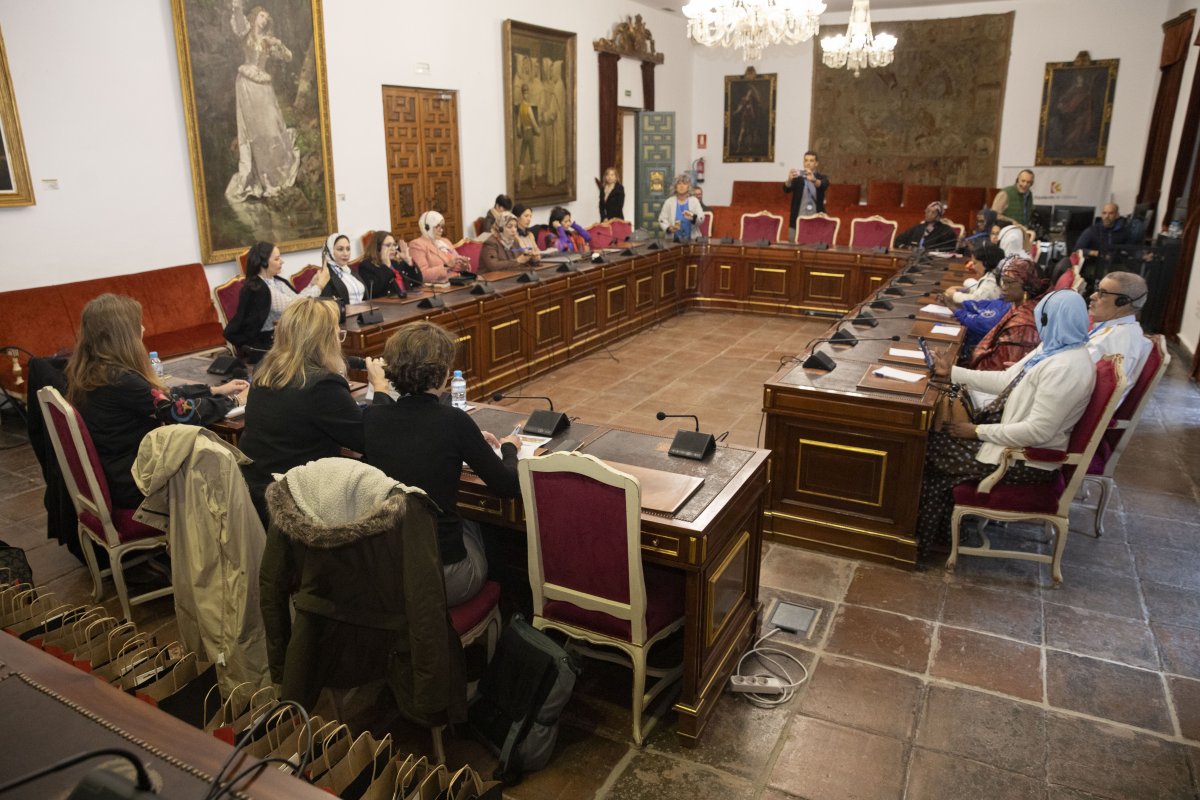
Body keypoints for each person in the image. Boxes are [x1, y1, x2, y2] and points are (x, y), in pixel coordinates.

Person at [916, 290, 1096, 559]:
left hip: (1026, 461)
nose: (1038, 327)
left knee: (926, 450)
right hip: (1009, 443)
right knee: (933, 436)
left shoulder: (1067, 368)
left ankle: (925, 541)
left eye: (1042, 321)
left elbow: (1039, 431)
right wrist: (952, 373)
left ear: (1054, 320)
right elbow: (1005, 381)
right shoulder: (1052, 349)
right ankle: (941, 535)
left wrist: (976, 431)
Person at [363, 322, 521, 605]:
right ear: (444, 374)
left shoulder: (374, 417)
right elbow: (507, 485)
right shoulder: (452, 421)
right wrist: (510, 448)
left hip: (388, 570)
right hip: (444, 576)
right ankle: (509, 607)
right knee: (487, 527)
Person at [65, 294, 247, 509]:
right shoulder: (121, 380)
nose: (143, 329)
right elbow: (178, 413)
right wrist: (235, 401)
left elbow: (158, 395)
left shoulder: (96, 371)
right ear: (122, 335)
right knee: (226, 472)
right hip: (135, 482)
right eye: (137, 325)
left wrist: (215, 389)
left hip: (115, 471)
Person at [238, 297, 391, 525]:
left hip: (258, 491)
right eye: (338, 334)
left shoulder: (265, 369)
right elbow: (370, 439)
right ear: (324, 340)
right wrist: (380, 389)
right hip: (297, 505)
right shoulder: (322, 384)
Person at [225, 1, 299, 202]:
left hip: (264, 88)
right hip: (247, 85)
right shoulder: (246, 33)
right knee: (255, 133)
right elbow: (239, 25)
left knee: (272, 130)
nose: (264, 19)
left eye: (266, 17)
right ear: (254, 17)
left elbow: (288, 57)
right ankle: (259, 176)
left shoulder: (268, 40)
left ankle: (275, 175)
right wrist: (237, 8)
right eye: (261, 16)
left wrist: (279, 45)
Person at [224, 240, 327, 356]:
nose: (282, 261)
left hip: (286, 338)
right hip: (269, 346)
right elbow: (295, 307)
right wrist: (320, 286)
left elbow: (297, 299)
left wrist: (312, 284)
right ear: (263, 263)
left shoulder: (277, 280)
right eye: (277, 259)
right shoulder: (258, 289)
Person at [966, 256, 1049, 372]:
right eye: (1003, 282)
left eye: (1009, 282)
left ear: (1027, 285)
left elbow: (1000, 370)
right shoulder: (1019, 305)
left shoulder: (1023, 325)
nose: (1003, 288)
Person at [1087, 271, 1152, 400]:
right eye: (1097, 290)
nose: (1093, 296)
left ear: (1123, 303)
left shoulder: (1119, 340)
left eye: (1103, 293)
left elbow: (1078, 378)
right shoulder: (1116, 329)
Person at [408, 211, 471, 282]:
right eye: (437, 226)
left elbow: (456, 264)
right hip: (440, 288)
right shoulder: (417, 244)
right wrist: (446, 266)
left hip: (458, 281)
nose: (441, 230)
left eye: (442, 226)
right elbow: (422, 275)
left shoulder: (445, 241)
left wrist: (464, 265)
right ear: (427, 227)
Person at [358, 231, 419, 297]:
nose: (393, 249)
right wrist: (386, 266)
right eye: (388, 245)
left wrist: (408, 262)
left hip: (406, 300)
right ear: (378, 248)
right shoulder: (366, 266)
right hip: (386, 305)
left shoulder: (395, 262)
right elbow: (373, 292)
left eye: (394, 245)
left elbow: (418, 282)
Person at [783, 151, 829, 227]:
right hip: (798, 218)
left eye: (811, 161)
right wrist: (789, 180)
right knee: (794, 239)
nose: (808, 163)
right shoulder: (797, 178)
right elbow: (786, 189)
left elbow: (823, 185)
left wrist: (813, 179)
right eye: (806, 160)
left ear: (816, 163)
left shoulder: (822, 178)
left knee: (815, 238)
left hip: (816, 219)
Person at [319, 233, 366, 305]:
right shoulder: (325, 275)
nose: (346, 253)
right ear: (330, 251)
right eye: (340, 249)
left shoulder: (350, 271)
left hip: (364, 313)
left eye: (348, 249)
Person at [893, 202, 958, 251]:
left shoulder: (946, 230)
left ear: (939, 216)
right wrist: (907, 247)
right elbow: (898, 241)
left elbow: (950, 247)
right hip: (912, 258)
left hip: (933, 262)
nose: (929, 214)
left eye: (933, 212)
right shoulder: (917, 228)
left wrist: (930, 250)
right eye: (927, 211)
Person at [658, 175, 704, 242]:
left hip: (692, 239)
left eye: (684, 184)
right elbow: (662, 219)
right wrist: (668, 228)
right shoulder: (669, 202)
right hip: (673, 240)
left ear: (688, 187)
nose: (682, 186)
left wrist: (693, 217)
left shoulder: (694, 201)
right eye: (679, 184)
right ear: (675, 187)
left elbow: (701, 218)